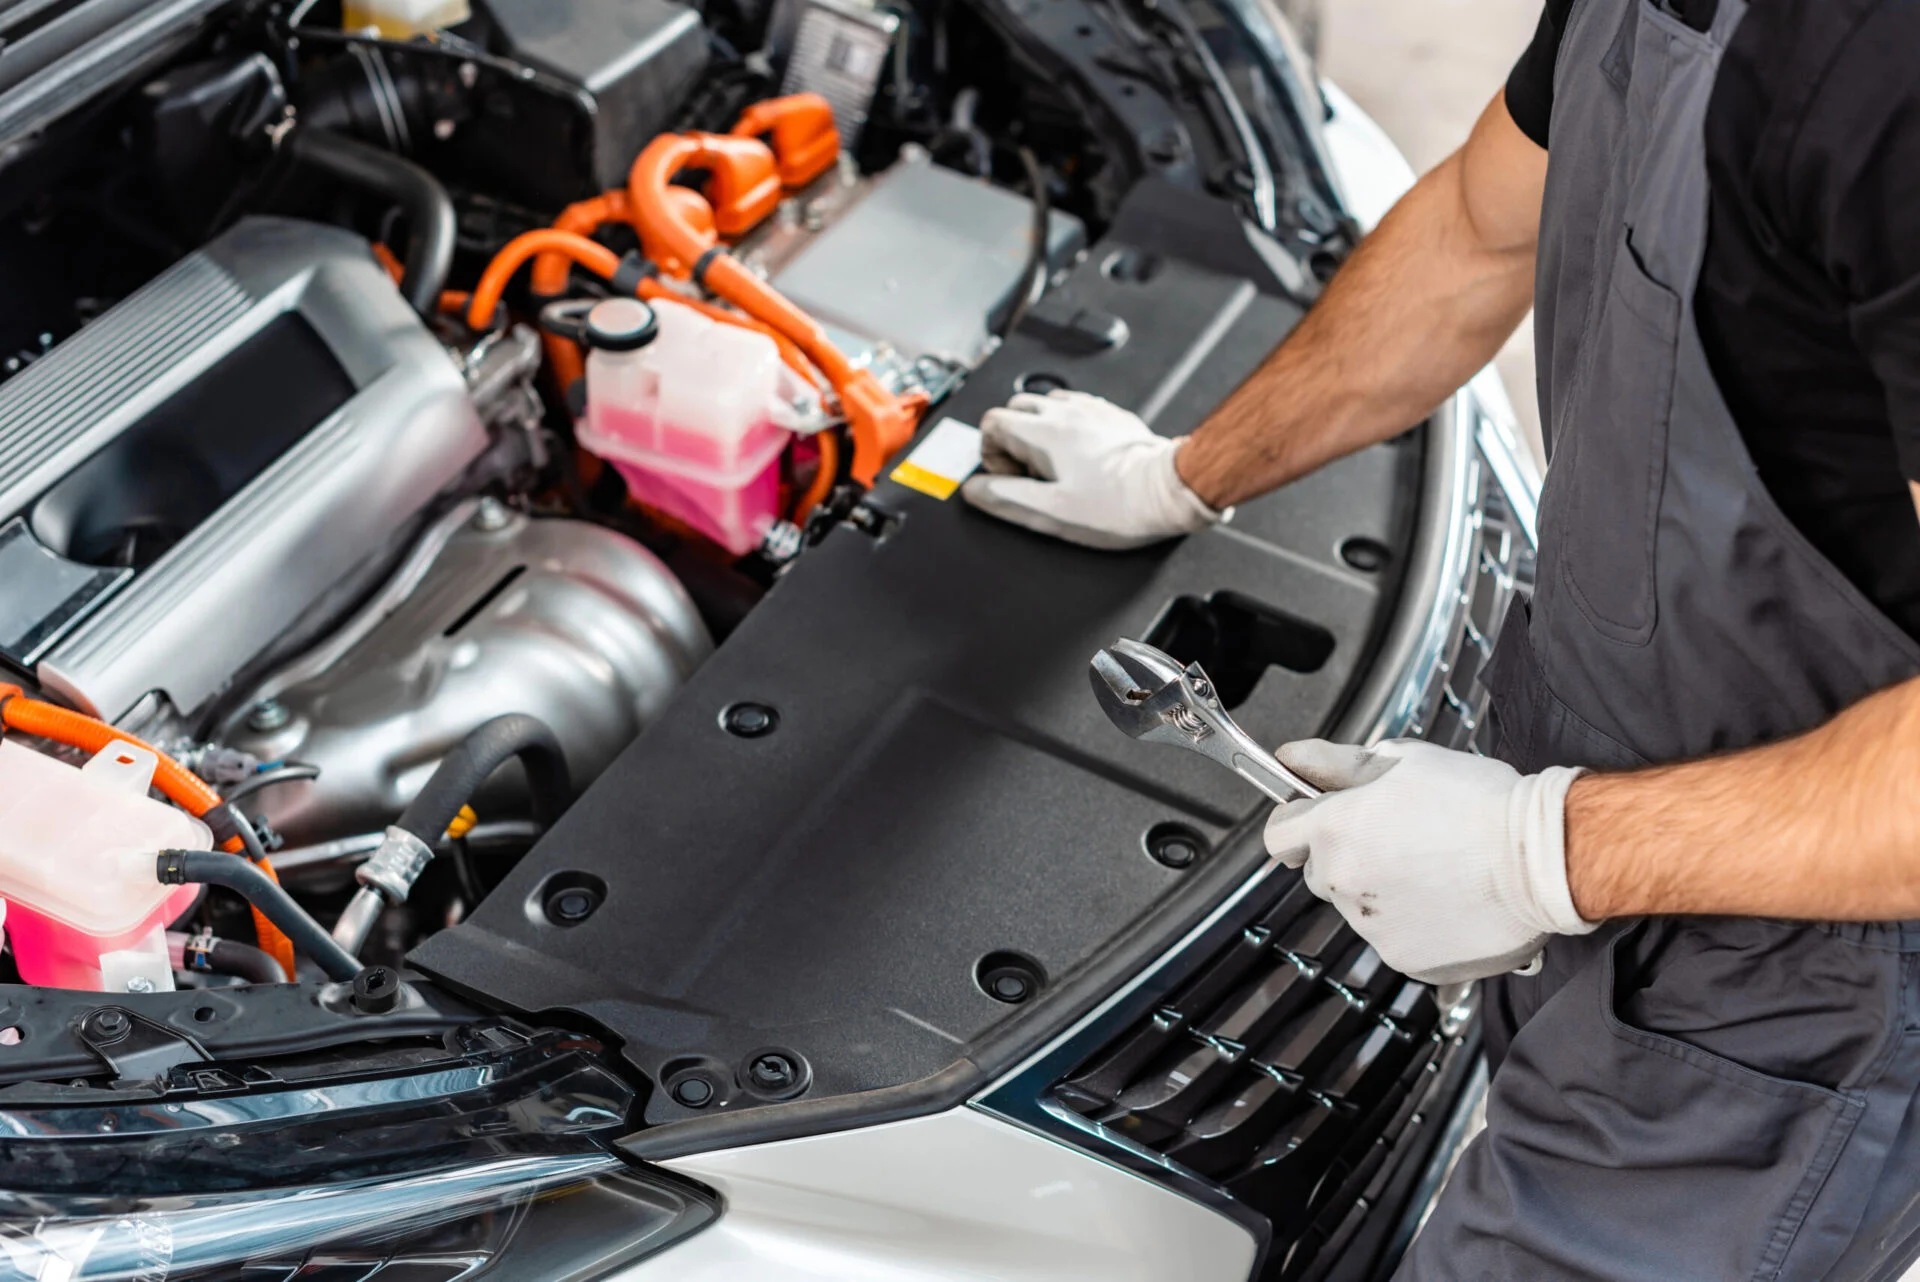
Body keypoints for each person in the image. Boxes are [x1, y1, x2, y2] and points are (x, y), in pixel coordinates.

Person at [962, 0, 1920, 1274]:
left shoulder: (1886, 80)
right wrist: (1180, 474)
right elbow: (1478, 227)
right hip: (1602, 807)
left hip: (1795, 992)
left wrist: (1542, 849)